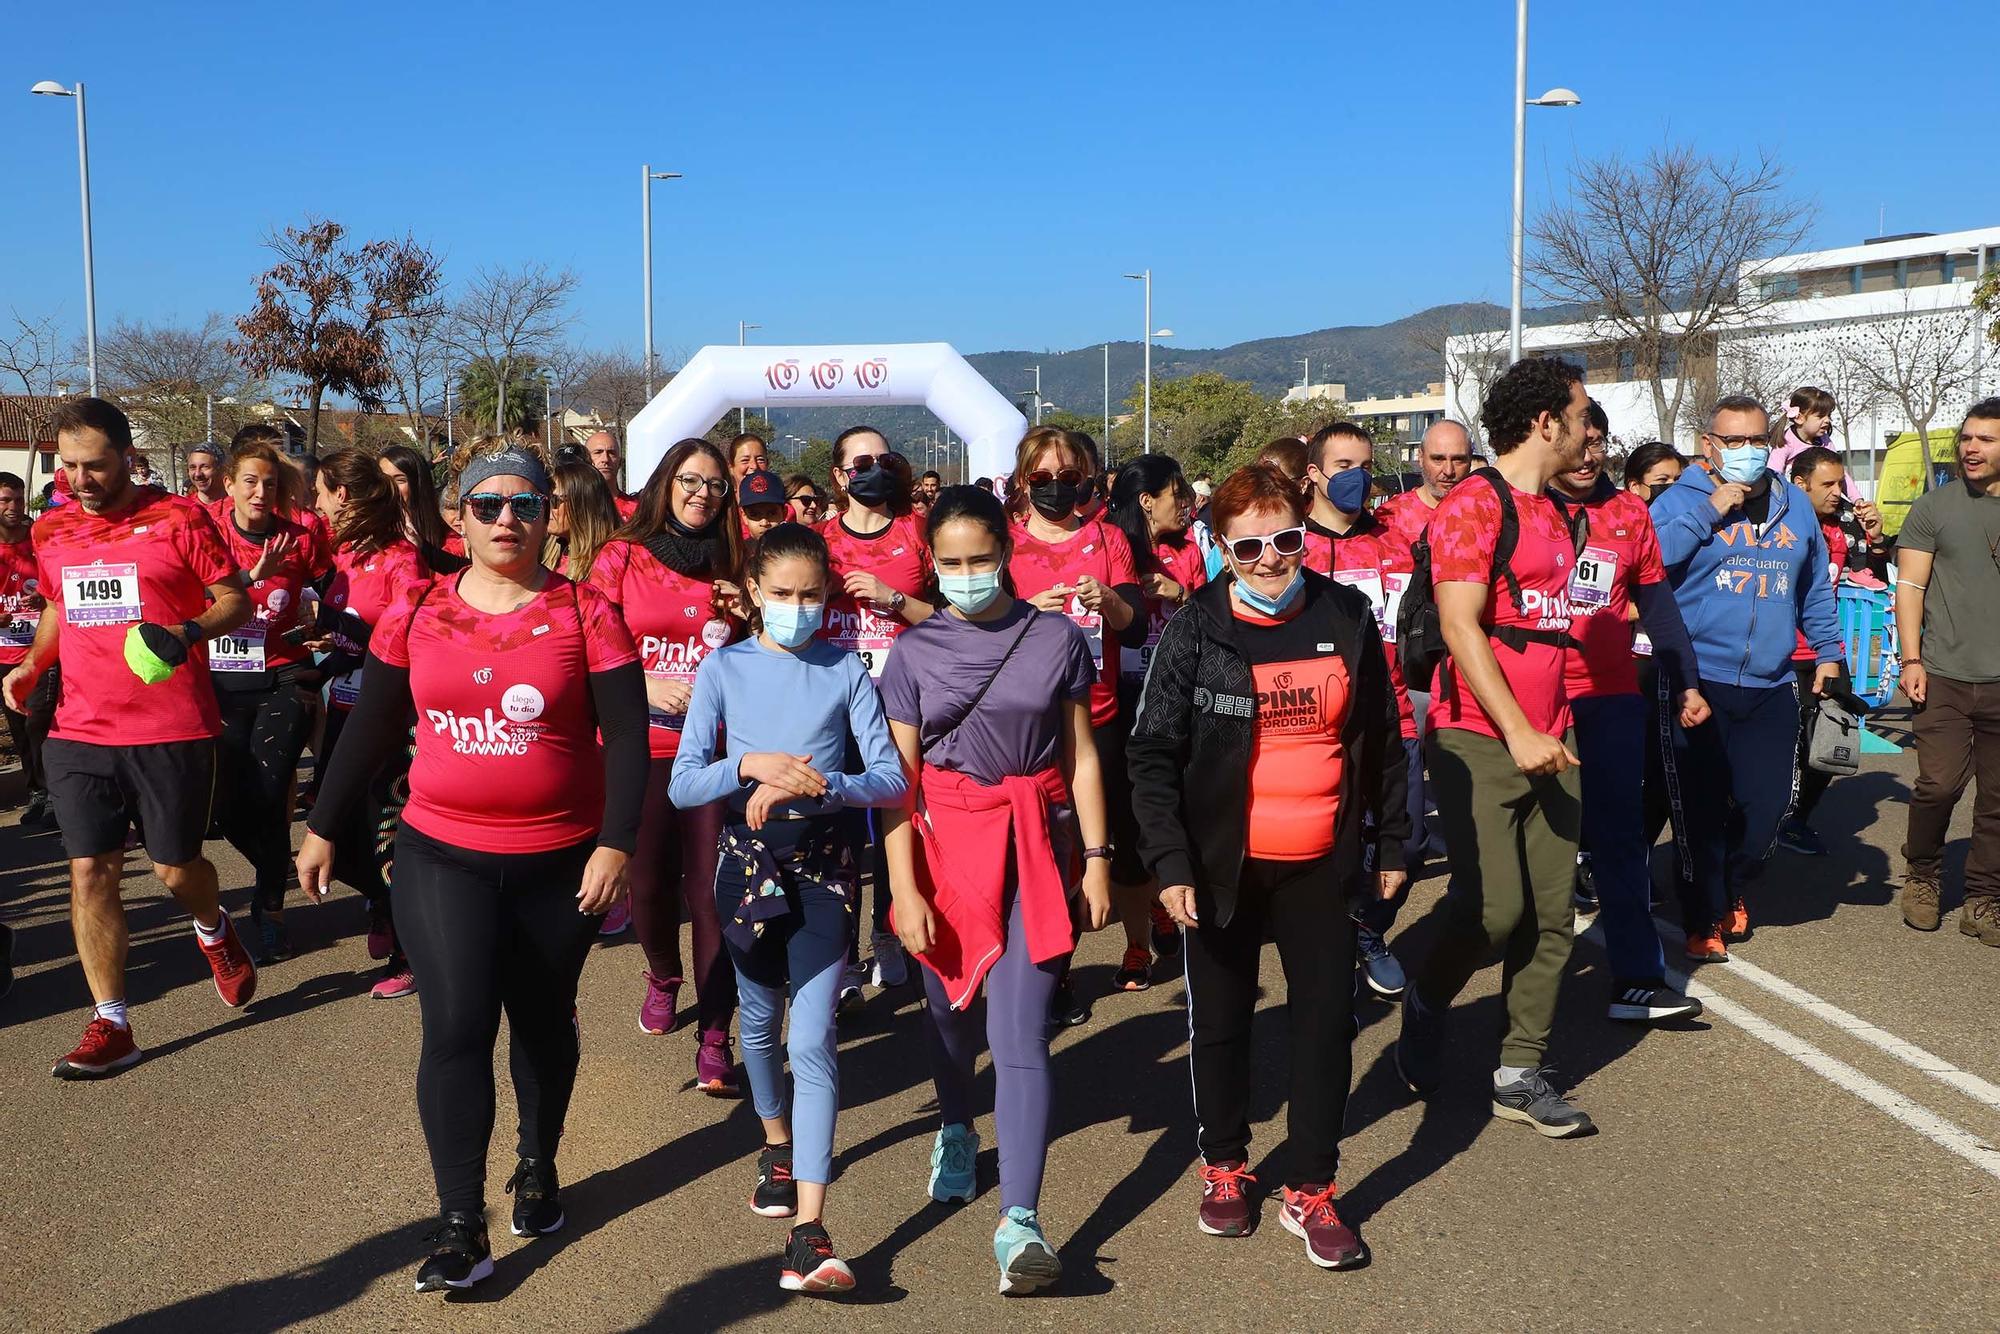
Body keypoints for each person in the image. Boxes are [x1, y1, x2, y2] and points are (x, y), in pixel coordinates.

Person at [297, 443, 648, 1294]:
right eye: (485, 506)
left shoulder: (588, 612)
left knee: (539, 1021)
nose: (505, 521)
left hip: (559, 863)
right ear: (458, 517)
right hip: (439, 854)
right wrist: (321, 825)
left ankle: (537, 1163)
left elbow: (630, 741)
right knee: (455, 1026)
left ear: (548, 516)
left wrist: (616, 843)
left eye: (523, 505)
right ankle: (460, 1224)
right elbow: (372, 727)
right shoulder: (416, 608)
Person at [1130, 462, 1407, 1269]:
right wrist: (1170, 861)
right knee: (1220, 1025)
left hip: (1320, 861)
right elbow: (1151, 756)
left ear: (1304, 534)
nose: (1271, 560)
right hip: (1221, 866)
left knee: (1326, 1022)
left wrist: (1392, 841)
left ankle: (1312, 1187)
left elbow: (1385, 741)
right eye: (1248, 546)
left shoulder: (1346, 613)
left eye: (1285, 540)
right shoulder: (1193, 628)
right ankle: (1225, 1167)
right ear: (1221, 546)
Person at [879, 484, 1110, 1295]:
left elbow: (1082, 756)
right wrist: (902, 889)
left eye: (981, 559)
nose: (967, 575)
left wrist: (1098, 857)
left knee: (1021, 1029)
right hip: (946, 849)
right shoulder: (912, 655)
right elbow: (897, 784)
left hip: (1036, 844)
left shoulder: (1056, 639)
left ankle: (1021, 1223)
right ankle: (952, 1121)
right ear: (932, 564)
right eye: (951, 563)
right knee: (948, 1013)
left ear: (1007, 554)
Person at [667, 521, 906, 1296]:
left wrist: (819, 785)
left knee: (813, 1038)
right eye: (782, 595)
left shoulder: (845, 671)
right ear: (754, 595)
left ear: (828, 596)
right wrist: (750, 766)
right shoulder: (723, 670)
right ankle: (774, 1140)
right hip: (745, 869)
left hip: (827, 868)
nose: (797, 609)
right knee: (761, 1025)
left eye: (811, 595)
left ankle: (810, 1229)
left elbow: (889, 777)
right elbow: (684, 782)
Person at [2, 398, 257, 1079]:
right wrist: (33, 663)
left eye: (96, 465)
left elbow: (236, 598)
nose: (81, 480)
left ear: (127, 457)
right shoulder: (51, 530)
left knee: (177, 870)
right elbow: (58, 604)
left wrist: (187, 633)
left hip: (171, 726)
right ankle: (111, 1022)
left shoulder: (176, 519)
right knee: (90, 871)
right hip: (80, 729)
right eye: (69, 467)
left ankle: (214, 929)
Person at [1393, 357, 1596, 1137]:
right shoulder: (1477, 504)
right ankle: (1427, 999)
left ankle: (1519, 1071)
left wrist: (1559, 725)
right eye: (1579, 413)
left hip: (1555, 735)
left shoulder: (1557, 511)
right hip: (1479, 734)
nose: (1588, 429)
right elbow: (1458, 625)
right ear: (1546, 420)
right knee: (1492, 909)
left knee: (1552, 916)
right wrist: (1517, 730)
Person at [1648, 395, 1845, 963]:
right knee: (1699, 806)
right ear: (1709, 446)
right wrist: (1709, 510)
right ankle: (1702, 911)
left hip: (1771, 680)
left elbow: (1812, 587)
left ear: (1773, 442)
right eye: (1732, 442)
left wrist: (1828, 652)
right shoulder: (1680, 498)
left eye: (1757, 441)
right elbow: (1650, 561)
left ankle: (1731, 878)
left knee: (1767, 809)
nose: (1746, 452)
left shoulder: (1795, 506)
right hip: (1696, 678)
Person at [589, 438, 745, 1085]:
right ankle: (662, 974)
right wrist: (643, 685)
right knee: (648, 888)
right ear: (665, 484)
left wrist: (754, 614)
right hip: (639, 748)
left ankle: (715, 1034)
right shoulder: (621, 557)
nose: (702, 492)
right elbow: (588, 653)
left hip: (715, 754)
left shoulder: (738, 563)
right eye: (690, 480)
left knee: (711, 895)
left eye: (714, 484)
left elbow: (772, 652)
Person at [1546, 409, 1707, 1023]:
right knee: (1532, 848)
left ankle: (1637, 978)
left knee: (1620, 837)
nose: (1588, 458)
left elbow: (1659, 606)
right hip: (1533, 703)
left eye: (1598, 446)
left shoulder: (1628, 513)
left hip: (1609, 696)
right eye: (1577, 445)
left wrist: (1685, 682)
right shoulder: (1521, 508)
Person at [1277, 424, 1427, 1000]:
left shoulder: (1395, 540)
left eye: (1365, 465)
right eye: (1343, 465)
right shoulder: (1289, 547)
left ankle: (1366, 928)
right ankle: (1326, 962)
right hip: (1314, 730)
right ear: (1312, 473)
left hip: (1393, 721)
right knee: (1325, 852)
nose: (1357, 477)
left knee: (1406, 845)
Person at [1005, 426, 1143, 1016]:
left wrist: (1108, 600)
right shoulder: (1003, 545)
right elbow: (972, 622)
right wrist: (1023, 613)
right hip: (1028, 727)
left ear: (1087, 480)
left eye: (1069, 478)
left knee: (1112, 842)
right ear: (1021, 482)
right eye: (1043, 479)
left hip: (1100, 715)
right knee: (1042, 852)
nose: (1057, 488)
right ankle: (1052, 970)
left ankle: (1137, 943)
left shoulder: (1108, 538)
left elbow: (1135, 624)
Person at [817, 425, 939, 1002]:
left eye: (884, 459)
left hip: (904, 708)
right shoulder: (816, 540)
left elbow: (950, 620)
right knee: (838, 836)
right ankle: (839, 958)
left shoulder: (919, 534)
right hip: (833, 709)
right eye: (860, 462)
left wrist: (894, 600)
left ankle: (888, 935)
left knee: (900, 821)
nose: (874, 469)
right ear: (840, 476)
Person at [313, 447, 433, 998]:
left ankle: (413, 951)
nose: (316, 504)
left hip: (389, 724)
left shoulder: (402, 562)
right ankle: (389, 910)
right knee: (336, 829)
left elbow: (399, 647)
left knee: (387, 837)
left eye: (319, 492)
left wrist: (336, 623)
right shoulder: (346, 558)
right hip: (343, 711)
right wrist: (323, 642)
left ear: (342, 494)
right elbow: (350, 642)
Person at [210, 438, 330, 962]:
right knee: (224, 808)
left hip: (285, 675)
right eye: (250, 482)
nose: (260, 492)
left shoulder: (301, 537)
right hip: (221, 681)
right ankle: (272, 861)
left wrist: (320, 619)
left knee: (270, 786)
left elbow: (328, 590)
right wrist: (246, 579)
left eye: (270, 484)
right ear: (230, 485)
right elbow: (185, 598)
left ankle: (270, 911)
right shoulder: (207, 534)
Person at [1893, 397, 2000, 942]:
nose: (1972, 448)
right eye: (1967, 438)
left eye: (1986, 439)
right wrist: (1911, 658)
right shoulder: (1935, 508)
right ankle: (1923, 874)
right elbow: (1909, 587)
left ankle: (1983, 897)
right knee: (1937, 784)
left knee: (1999, 798)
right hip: (1942, 674)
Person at [1103, 455, 1206, 978]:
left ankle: (1167, 904)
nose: (1185, 501)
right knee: (1126, 824)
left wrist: (1180, 593)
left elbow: (1214, 614)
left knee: (1170, 816)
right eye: (1176, 491)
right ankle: (1136, 944)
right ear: (1147, 500)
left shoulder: (1187, 552)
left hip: (1175, 699)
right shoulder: (1110, 549)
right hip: (1117, 702)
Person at [1778, 447, 1884, 857]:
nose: (1838, 492)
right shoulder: (1777, 526)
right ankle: (1754, 818)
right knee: (1776, 746)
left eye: (1840, 482)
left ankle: (1797, 820)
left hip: (1825, 653)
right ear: (1799, 483)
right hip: (1781, 656)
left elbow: (1872, 578)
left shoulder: (1841, 529)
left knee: (1831, 743)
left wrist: (1875, 539)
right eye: (1828, 484)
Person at [0, 472, 50, 825]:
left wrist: (44, 597)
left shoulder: (39, 540)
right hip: (3, 652)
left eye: (18, 499)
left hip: (40, 650)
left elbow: (61, 583)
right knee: (18, 727)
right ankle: (36, 792)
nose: (13, 507)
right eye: (5, 500)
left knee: (40, 722)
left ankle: (51, 794)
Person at [1376, 420, 1475, 545]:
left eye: (1458, 460)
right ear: (1421, 457)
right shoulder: (1391, 517)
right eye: (1438, 459)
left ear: (1470, 459)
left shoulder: (1487, 514)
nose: (1448, 471)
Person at [380, 444, 466, 573]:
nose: (390, 488)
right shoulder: (365, 537)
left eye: (400, 480)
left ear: (418, 485)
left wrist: (423, 550)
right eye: (382, 480)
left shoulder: (450, 542)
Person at [543, 458, 621, 583]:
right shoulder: (553, 553)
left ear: (583, 506)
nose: (547, 507)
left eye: (554, 500)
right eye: (545, 500)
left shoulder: (610, 560)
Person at [586, 429, 637, 519]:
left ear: (620, 462)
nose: (605, 459)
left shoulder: (636, 510)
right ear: (585, 459)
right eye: (598, 452)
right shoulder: (573, 507)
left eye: (612, 453)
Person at [739, 469, 791, 542]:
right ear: (744, 516)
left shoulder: (798, 550)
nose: (764, 523)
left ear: (784, 513)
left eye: (772, 513)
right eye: (754, 514)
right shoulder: (737, 552)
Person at [184, 443, 226, 507]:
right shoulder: (183, 508)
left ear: (221, 469)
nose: (198, 474)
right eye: (193, 467)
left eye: (205, 467)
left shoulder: (238, 506)